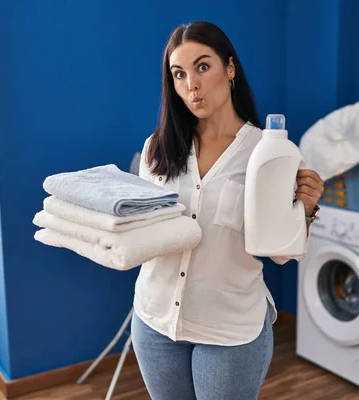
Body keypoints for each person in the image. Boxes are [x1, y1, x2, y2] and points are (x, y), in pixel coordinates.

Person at [131, 21, 324, 399]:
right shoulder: (157, 148)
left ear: (230, 68)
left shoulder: (268, 153)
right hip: (154, 322)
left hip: (230, 333)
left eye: (203, 67)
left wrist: (306, 208)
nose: (192, 85)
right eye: (179, 74)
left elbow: (283, 253)